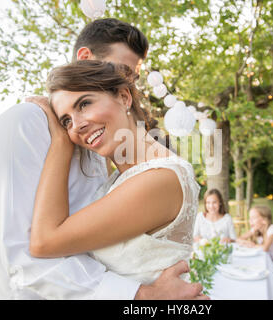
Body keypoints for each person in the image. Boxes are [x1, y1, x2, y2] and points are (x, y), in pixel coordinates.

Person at [0, 18, 205, 300]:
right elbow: (23, 262)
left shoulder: (111, 154)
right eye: (122, 71)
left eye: (132, 78)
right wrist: (142, 295)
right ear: (85, 59)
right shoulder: (25, 124)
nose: (130, 85)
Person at [28, 59, 201, 287]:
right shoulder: (123, 176)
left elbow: (43, 242)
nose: (76, 126)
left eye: (84, 104)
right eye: (66, 121)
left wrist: (60, 143)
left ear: (124, 97)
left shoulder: (160, 177)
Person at [237, 205, 273, 287]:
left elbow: (265, 248)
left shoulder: (272, 229)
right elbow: (239, 239)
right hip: (269, 267)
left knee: (255, 283)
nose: (250, 221)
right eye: (250, 218)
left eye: (253, 218)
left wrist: (252, 245)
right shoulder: (257, 229)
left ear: (264, 220)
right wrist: (245, 242)